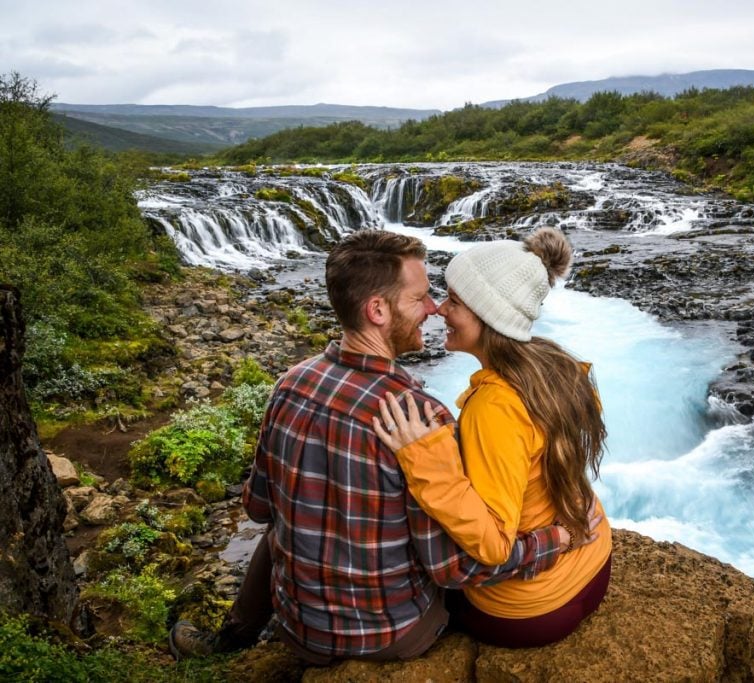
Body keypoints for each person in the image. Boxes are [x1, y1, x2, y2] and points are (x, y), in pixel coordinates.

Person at [169, 230, 593, 664]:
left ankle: (232, 638)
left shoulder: (290, 383)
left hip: (298, 629)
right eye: (420, 298)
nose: (433, 309)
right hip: (391, 635)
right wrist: (551, 540)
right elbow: (453, 568)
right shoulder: (416, 421)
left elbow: (259, 508)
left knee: (284, 520)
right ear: (377, 310)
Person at [375, 226, 612, 649]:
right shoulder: (551, 363)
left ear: (488, 317)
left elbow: (493, 544)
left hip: (532, 609)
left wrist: (426, 460)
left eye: (455, 302)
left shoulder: (495, 407)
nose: (439, 310)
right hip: (594, 569)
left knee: (421, 584)